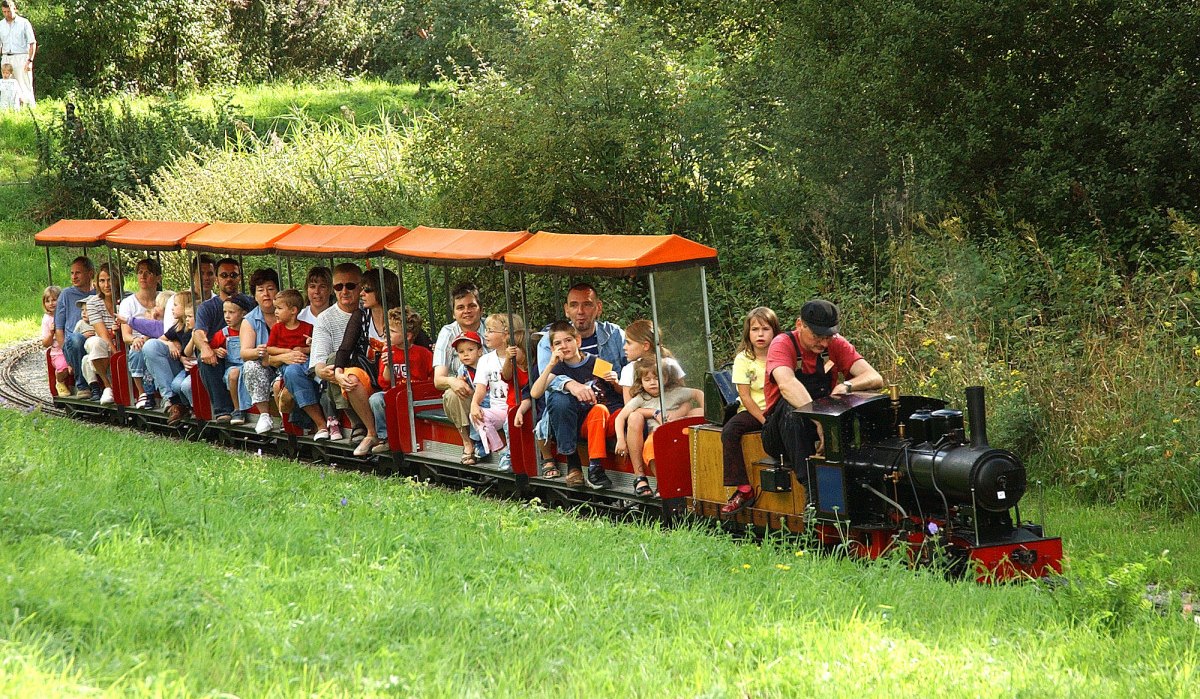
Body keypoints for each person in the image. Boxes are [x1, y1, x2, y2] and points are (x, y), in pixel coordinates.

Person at [746, 299, 884, 512]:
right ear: (800, 324)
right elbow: (787, 384)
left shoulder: (835, 343)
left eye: (828, 337)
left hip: (825, 422)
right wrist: (819, 419)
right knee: (791, 410)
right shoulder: (782, 343)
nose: (824, 343)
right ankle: (813, 494)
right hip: (779, 431)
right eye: (817, 336)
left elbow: (875, 378)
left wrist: (847, 386)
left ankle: (869, 486)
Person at [531, 321, 623, 489]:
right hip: (581, 424)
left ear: (578, 341)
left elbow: (619, 390)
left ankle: (597, 468)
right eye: (558, 343)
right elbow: (535, 393)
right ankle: (588, 467)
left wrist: (616, 381)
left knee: (603, 410)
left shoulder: (595, 362)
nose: (564, 346)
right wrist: (551, 363)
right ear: (552, 349)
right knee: (564, 400)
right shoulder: (558, 368)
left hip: (607, 418)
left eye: (568, 340)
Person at [286, 262, 362, 442]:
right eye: (339, 286)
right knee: (334, 363)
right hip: (338, 374)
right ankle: (351, 422)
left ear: (361, 287)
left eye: (350, 286)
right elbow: (318, 363)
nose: (344, 291)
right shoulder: (325, 319)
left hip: (365, 368)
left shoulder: (369, 311)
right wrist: (326, 371)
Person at [334, 268, 402, 455]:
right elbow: (345, 348)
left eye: (367, 289)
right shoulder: (361, 316)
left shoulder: (398, 316)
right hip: (370, 376)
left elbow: (419, 341)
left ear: (383, 290)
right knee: (350, 377)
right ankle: (371, 432)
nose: (361, 294)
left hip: (395, 377)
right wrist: (338, 372)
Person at [720, 307, 781, 514]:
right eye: (755, 329)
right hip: (754, 410)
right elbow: (745, 396)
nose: (760, 334)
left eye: (765, 329)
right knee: (730, 431)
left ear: (775, 331)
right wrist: (765, 421)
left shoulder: (782, 355)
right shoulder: (743, 359)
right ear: (748, 333)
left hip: (780, 408)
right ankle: (743, 489)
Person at [615, 357, 703, 496]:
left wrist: (687, 411)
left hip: (678, 432)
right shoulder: (641, 399)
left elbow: (698, 393)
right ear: (641, 382)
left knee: (699, 412)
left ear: (666, 378)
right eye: (647, 379)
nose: (652, 383)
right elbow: (621, 417)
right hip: (657, 434)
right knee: (652, 446)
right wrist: (621, 438)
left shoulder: (675, 392)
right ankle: (662, 483)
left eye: (657, 378)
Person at [144, 255, 215, 409]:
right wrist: (178, 350)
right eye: (201, 273)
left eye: (210, 273)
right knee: (150, 346)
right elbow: (173, 334)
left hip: (202, 356)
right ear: (193, 275)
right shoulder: (179, 300)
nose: (206, 278)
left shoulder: (216, 302)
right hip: (180, 356)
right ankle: (171, 399)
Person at [245, 288, 315, 435]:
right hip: (283, 367)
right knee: (278, 386)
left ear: (293, 310)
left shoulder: (307, 327)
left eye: (279, 308)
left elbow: (314, 347)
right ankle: (285, 420)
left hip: (304, 363)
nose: (275, 311)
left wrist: (303, 349)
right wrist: (287, 352)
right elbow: (270, 348)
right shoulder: (277, 328)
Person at [193, 258, 255, 421]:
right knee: (205, 359)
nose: (229, 279)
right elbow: (198, 332)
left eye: (233, 275)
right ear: (217, 279)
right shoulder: (207, 307)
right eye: (224, 275)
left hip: (249, 351)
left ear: (239, 278)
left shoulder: (250, 303)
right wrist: (207, 348)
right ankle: (223, 410)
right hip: (221, 354)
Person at [367, 306, 435, 453]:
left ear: (408, 335)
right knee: (375, 399)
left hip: (414, 393)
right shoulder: (387, 351)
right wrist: (387, 365)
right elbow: (383, 382)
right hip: (393, 392)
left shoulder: (422, 354)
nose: (387, 335)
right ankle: (385, 437)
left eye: (392, 331)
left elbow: (432, 376)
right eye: (387, 330)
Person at [432, 282, 486, 449]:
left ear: (480, 309)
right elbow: (438, 380)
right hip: (467, 393)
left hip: (492, 391)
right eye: (460, 307)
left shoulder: (491, 329)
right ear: (454, 313)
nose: (466, 311)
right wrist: (453, 381)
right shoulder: (448, 333)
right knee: (452, 393)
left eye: (471, 306)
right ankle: (468, 443)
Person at [470, 313, 526, 470]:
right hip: (497, 408)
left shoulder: (519, 357)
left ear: (506, 335)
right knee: (476, 415)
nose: (485, 334)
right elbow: (480, 388)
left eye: (490, 331)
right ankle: (502, 450)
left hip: (515, 405)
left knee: (511, 419)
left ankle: (515, 453)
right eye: (486, 330)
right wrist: (475, 404)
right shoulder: (485, 360)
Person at [230, 269, 279, 431]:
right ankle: (264, 415)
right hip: (264, 366)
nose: (266, 294)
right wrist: (260, 351)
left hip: (286, 362)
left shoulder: (288, 312)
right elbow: (244, 353)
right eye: (260, 290)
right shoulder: (250, 320)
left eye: (270, 289)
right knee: (250, 366)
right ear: (255, 295)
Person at [119, 258, 163, 409]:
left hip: (161, 340)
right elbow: (126, 336)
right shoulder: (128, 303)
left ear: (158, 278)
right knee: (138, 350)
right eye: (140, 272)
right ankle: (143, 393)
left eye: (148, 273)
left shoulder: (164, 299)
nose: (143, 276)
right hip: (138, 342)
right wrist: (135, 340)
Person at [54, 256, 95, 396]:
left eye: (78, 273)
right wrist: (66, 351)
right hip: (73, 342)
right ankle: (82, 386)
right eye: (72, 273)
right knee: (77, 340)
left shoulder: (97, 293)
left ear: (90, 273)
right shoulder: (66, 294)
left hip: (94, 335)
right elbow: (58, 328)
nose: (74, 276)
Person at [81, 263, 120, 403]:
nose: (106, 285)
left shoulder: (128, 298)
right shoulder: (93, 303)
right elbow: (102, 333)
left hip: (123, 341)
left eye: (110, 280)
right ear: (97, 283)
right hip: (105, 344)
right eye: (102, 281)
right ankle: (107, 386)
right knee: (95, 342)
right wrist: (116, 355)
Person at [211, 296, 252, 424]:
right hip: (232, 367)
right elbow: (210, 348)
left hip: (248, 364)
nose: (227, 316)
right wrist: (216, 351)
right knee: (234, 374)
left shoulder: (251, 330)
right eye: (224, 312)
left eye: (231, 312)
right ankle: (237, 409)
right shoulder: (223, 334)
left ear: (243, 314)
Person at [0, 0, 36, 108]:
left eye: (9, 11)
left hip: (21, 57)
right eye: (4, 12)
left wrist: (30, 61)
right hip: (6, 57)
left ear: (14, 9)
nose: (7, 14)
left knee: (24, 84)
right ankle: (10, 110)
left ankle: (30, 109)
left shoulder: (24, 23)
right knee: (7, 86)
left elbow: (32, 42)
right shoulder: (1, 25)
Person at [40, 285, 70, 395]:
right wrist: (52, 332)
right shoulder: (47, 319)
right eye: (47, 301)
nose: (51, 303)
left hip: (69, 347)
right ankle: (60, 382)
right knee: (63, 366)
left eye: (54, 300)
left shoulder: (67, 314)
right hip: (58, 352)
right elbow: (45, 343)